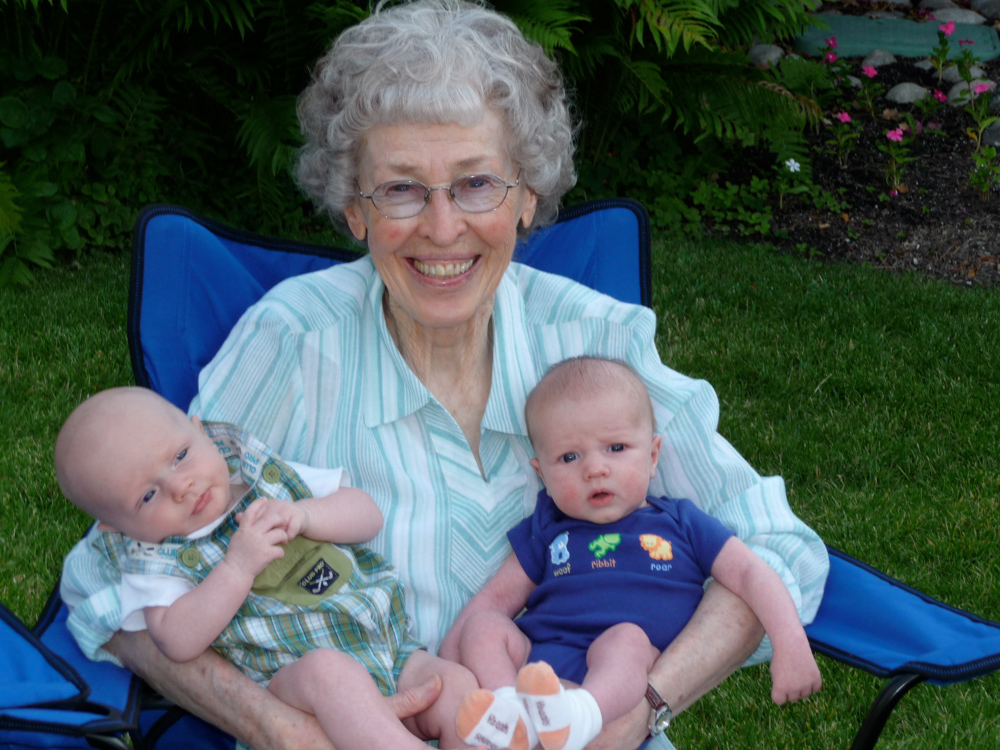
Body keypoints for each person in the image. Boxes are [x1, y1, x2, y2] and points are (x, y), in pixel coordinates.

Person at [59, 2, 830, 749]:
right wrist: (279, 728)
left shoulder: (595, 337)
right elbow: (104, 577)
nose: (440, 227)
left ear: (527, 196)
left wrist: (638, 710)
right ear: (354, 210)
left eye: (476, 183)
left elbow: (778, 548)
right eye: (400, 188)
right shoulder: (291, 339)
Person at [55, 386, 481, 750]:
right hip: (300, 685)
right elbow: (175, 641)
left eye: (181, 455)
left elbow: (367, 514)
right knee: (331, 674)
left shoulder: (266, 477)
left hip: (393, 650)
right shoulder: (157, 561)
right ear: (116, 528)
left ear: (200, 429)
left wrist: (307, 516)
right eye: (148, 496)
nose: (180, 487)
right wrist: (237, 568)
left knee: (458, 690)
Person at [441, 358, 822, 750]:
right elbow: (496, 598)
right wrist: (444, 668)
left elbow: (749, 573)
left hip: (616, 699)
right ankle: (510, 714)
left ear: (653, 455)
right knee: (484, 625)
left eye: (616, 447)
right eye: (569, 458)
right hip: (534, 671)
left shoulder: (681, 522)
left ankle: (580, 716)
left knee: (626, 640)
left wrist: (790, 642)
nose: (595, 469)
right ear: (543, 475)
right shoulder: (548, 526)